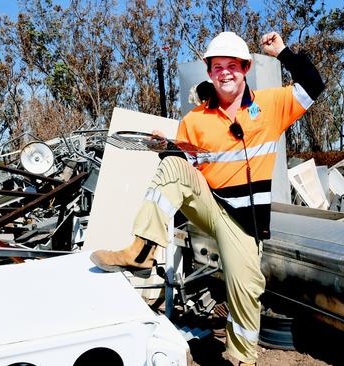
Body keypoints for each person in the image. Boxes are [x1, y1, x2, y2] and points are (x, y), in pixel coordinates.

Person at [91, 31, 324, 365]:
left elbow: (313, 84)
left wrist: (282, 52)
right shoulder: (195, 120)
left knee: (246, 289)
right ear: (209, 72)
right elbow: (187, 173)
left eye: (232, 65)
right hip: (212, 206)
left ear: (245, 68)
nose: (225, 72)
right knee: (173, 165)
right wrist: (166, 150)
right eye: (217, 67)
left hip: (244, 225)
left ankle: (242, 358)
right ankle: (140, 251)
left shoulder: (271, 106)